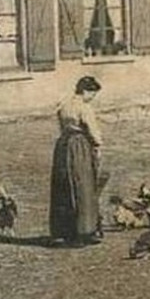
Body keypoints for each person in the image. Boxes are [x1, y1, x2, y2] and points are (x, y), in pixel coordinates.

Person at [49, 75, 105, 245]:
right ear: (86, 91)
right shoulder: (84, 107)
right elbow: (92, 131)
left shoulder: (63, 105)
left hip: (63, 146)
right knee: (83, 186)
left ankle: (64, 231)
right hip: (79, 146)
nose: (92, 98)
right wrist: (97, 145)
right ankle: (83, 231)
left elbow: (61, 127)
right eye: (92, 94)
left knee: (64, 186)